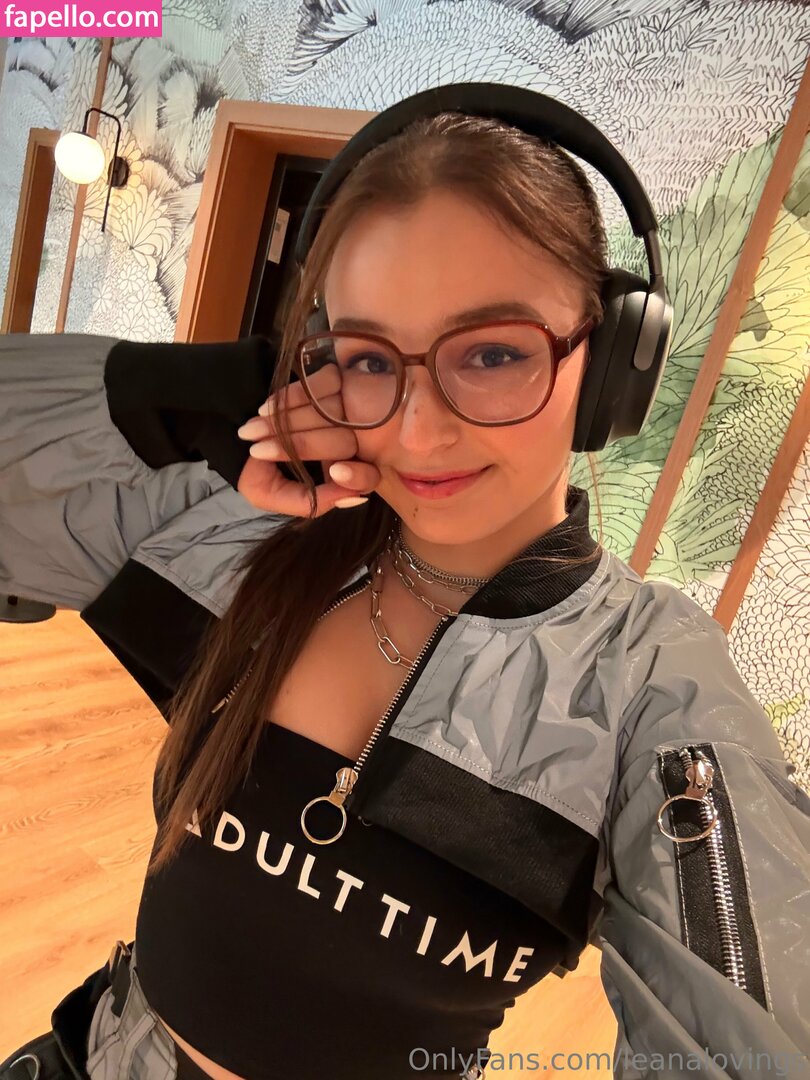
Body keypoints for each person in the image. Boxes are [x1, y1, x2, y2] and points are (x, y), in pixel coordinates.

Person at [1, 86, 808, 1080]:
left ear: (611, 365)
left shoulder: (652, 684)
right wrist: (168, 401)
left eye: (494, 353)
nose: (418, 431)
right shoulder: (243, 535)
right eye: (369, 359)